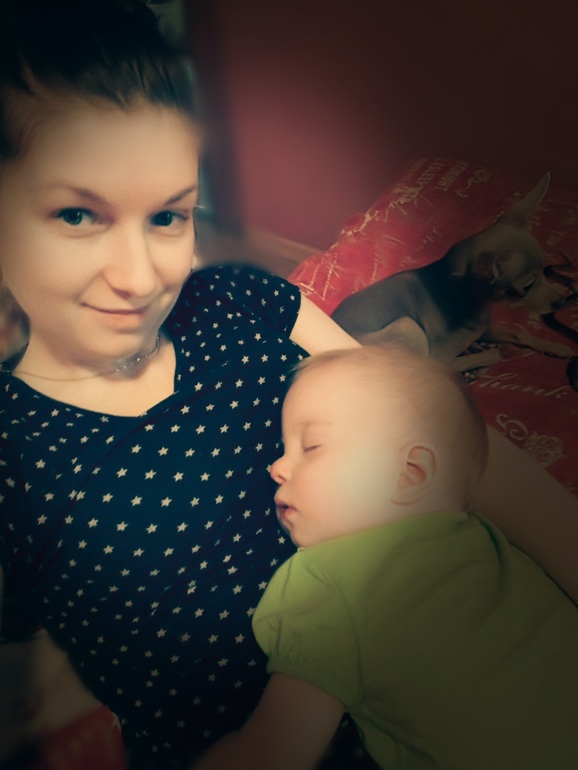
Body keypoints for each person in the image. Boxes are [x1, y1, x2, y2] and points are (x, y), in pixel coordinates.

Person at [0, 1, 577, 768]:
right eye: (79, 215)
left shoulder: (239, 300)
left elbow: (424, 421)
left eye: (168, 216)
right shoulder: (17, 459)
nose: (141, 277)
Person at [193, 345, 578, 770]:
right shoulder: (484, 537)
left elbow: (274, 752)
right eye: (285, 448)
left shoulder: (324, 578)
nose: (277, 468)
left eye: (312, 446)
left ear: (411, 473)